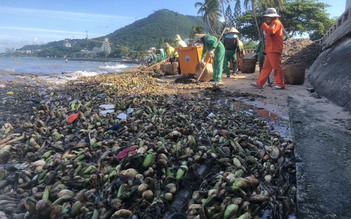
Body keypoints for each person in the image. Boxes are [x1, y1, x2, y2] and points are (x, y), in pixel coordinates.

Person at [253, 8, 285, 89]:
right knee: (266, 68)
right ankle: (260, 83)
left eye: (267, 17)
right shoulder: (272, 24)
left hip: (274, 49)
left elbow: (271, 31)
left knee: (276, 67)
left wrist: (264, 25)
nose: (266, 19)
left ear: (271, 17)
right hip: (270, 50)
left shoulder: (276, 22)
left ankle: (280, 84)